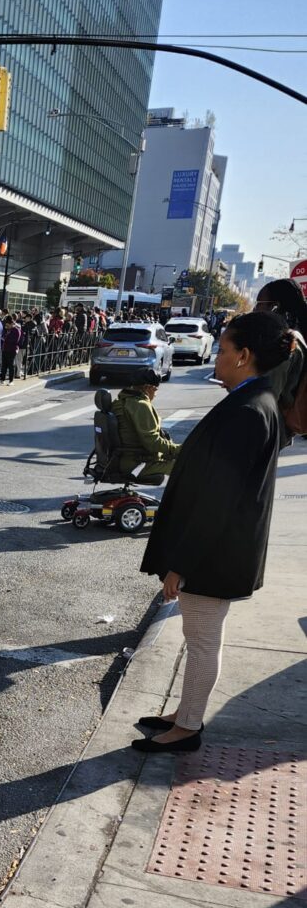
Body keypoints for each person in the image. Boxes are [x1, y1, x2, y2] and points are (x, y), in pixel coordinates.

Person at [133, 310, 293, 755]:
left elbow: (218, 501)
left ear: (244, 356)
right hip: (218, 549)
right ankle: (185, 713)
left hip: (214, 554)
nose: (216, 357)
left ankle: (187, 728)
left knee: (203, 642)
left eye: (222, 350)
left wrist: (180, 565)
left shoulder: (249, 410)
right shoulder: (253, 399)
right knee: (198, 638)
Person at [254, 278, 307, 433]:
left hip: (271, 425)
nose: (255, 309)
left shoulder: (284, 343)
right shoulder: (295, 336)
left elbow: (268, 393)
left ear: (275, 307)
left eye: (259, 304)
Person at [110, 382, 180, 481]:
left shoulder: (120, 401)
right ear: (147, 387)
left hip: (124, 459)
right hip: (137, 464)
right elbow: (152, 443)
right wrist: (180, 448)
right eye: (155, 387)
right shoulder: (140, 405)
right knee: (185, 465)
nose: (156, 390)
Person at [1, 315, 21, 383]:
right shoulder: (7, 330)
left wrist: (6, 338)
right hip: (5, 349)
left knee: (11, 365)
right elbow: (3, 336)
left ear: (12, 324)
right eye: (6, 325)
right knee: (4, 365)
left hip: (12, 349)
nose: (7, 326)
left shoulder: (16, 330)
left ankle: (11, 380)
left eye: (8, 325)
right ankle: (2, 379)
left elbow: (15, 340)